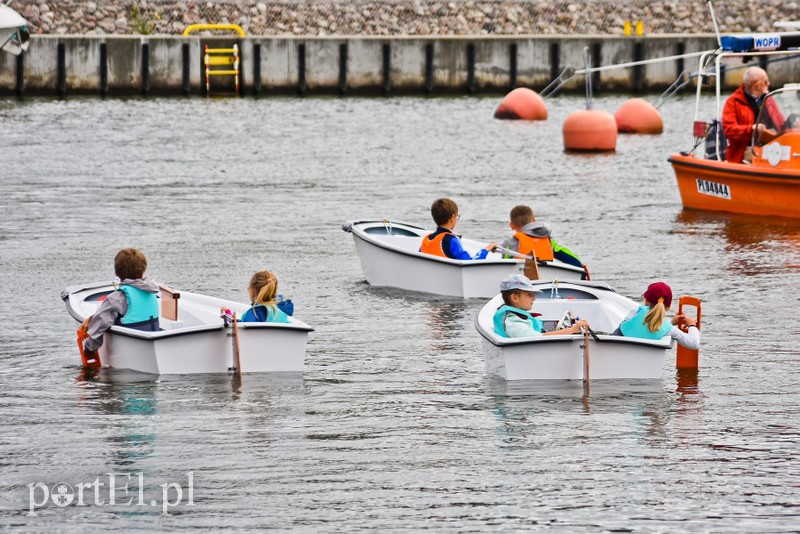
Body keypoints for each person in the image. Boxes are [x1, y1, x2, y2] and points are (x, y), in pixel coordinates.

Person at [79, 248, 160, 360]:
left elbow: (100, 325)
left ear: (116, 273)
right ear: (143, 271)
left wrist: (89, 349)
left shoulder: (116, 298)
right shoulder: (152, 290)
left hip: (132, 351)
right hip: (154, 343)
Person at [493, 274, 589, 338]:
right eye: (529, 295)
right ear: (515, 298)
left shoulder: (516, 317)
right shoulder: (514, 324)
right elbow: (538, 338)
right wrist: (571, 330)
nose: (534, 298)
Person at [722, 66, 785, 164]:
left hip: (773, 147)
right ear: (754, 84)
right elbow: (729, 130)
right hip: (746, 149)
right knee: (769, 159)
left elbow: (781, 123)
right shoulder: (733, 102)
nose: (768, 84)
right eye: (765, 81)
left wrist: (793, 125)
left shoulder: (768, 99)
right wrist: (752, 129)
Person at [613, 282, 700, 349]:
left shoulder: (635, 312)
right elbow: (693, 344)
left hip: (616, 356)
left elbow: (641, 327)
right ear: (668, 307)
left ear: (646, 301)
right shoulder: (668, 329)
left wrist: (672, 322)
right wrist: (692, 325)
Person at [499, 205, 582, 267]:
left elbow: (504, 266)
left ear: (511, 225)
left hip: (522, 280)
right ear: (534, 220)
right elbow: (574, 261)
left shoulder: (510, 243)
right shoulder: (549, 240)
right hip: (547, 279)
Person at [419, 198, 496, 260]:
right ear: (452, 218)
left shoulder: (426, 239)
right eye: (457, 217)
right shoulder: (452, 240)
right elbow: (469, 262)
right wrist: (486, 249)